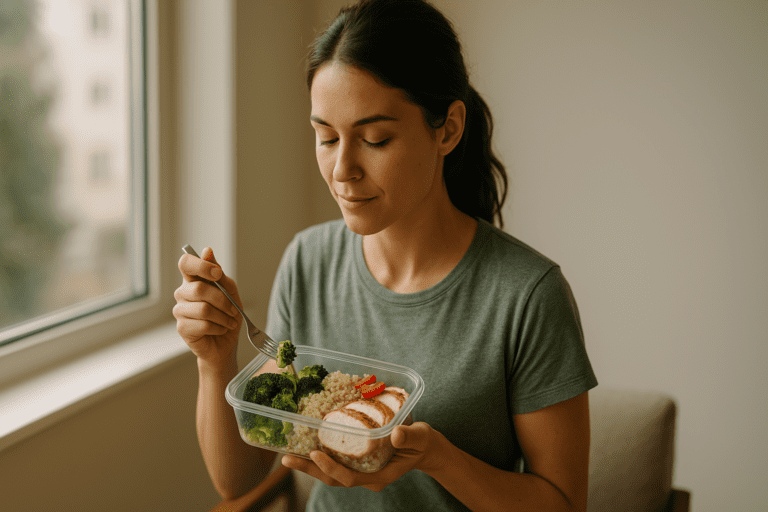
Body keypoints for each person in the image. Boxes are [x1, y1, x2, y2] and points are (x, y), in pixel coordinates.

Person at [173, 0, 598, 510]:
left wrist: (439, 458)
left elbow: (563, 503)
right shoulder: (308, 262)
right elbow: (238, 483)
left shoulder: (526, 295)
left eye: (375, 139)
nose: (342, 169)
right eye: (326, 137)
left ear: (447, 129)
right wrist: (215, 362)